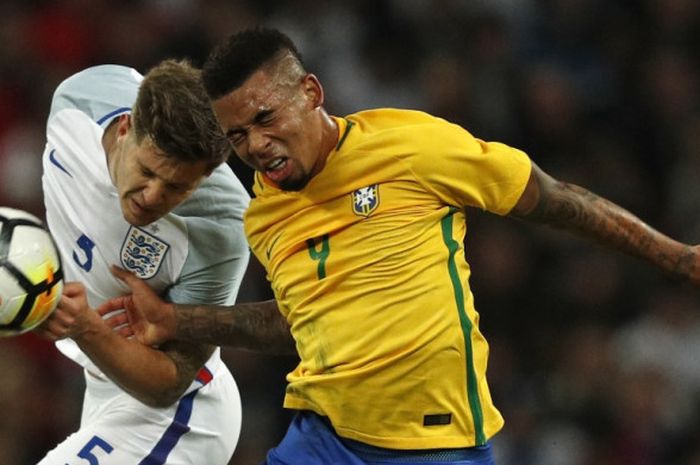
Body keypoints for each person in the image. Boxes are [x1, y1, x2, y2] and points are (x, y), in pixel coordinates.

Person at [100, 28, 700, 465]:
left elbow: (557, 200)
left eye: (265, 119)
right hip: (323, 437)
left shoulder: (411, 147)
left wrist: (675, 257)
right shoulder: (264, 214)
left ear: (310, 91)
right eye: (237, 136)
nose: (255, 146)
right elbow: (301, 324)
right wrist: (175, 318)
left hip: (435, 444)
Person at [35, 60, 251, 464]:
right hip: (101, 390)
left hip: (180, 415)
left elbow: (169, 382)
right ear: (124, 128)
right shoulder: (79, 98)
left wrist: (85, 326)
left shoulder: (222, 226)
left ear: (204, 178)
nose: (152, 196)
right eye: (147, 170)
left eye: (175, 187)